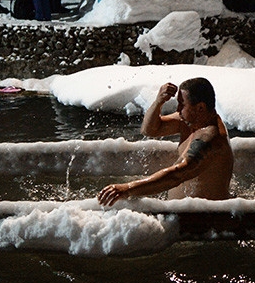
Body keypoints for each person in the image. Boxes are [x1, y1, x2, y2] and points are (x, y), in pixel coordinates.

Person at [98, 78, 233, 205]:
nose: (178, 110)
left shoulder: (211, 137)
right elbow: (149, 130)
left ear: (201, 108)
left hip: (206, 218)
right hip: (183, 210)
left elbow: (177, 175)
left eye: (182, 104)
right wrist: (159, 102)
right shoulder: (190, 121)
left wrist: (127, 188)